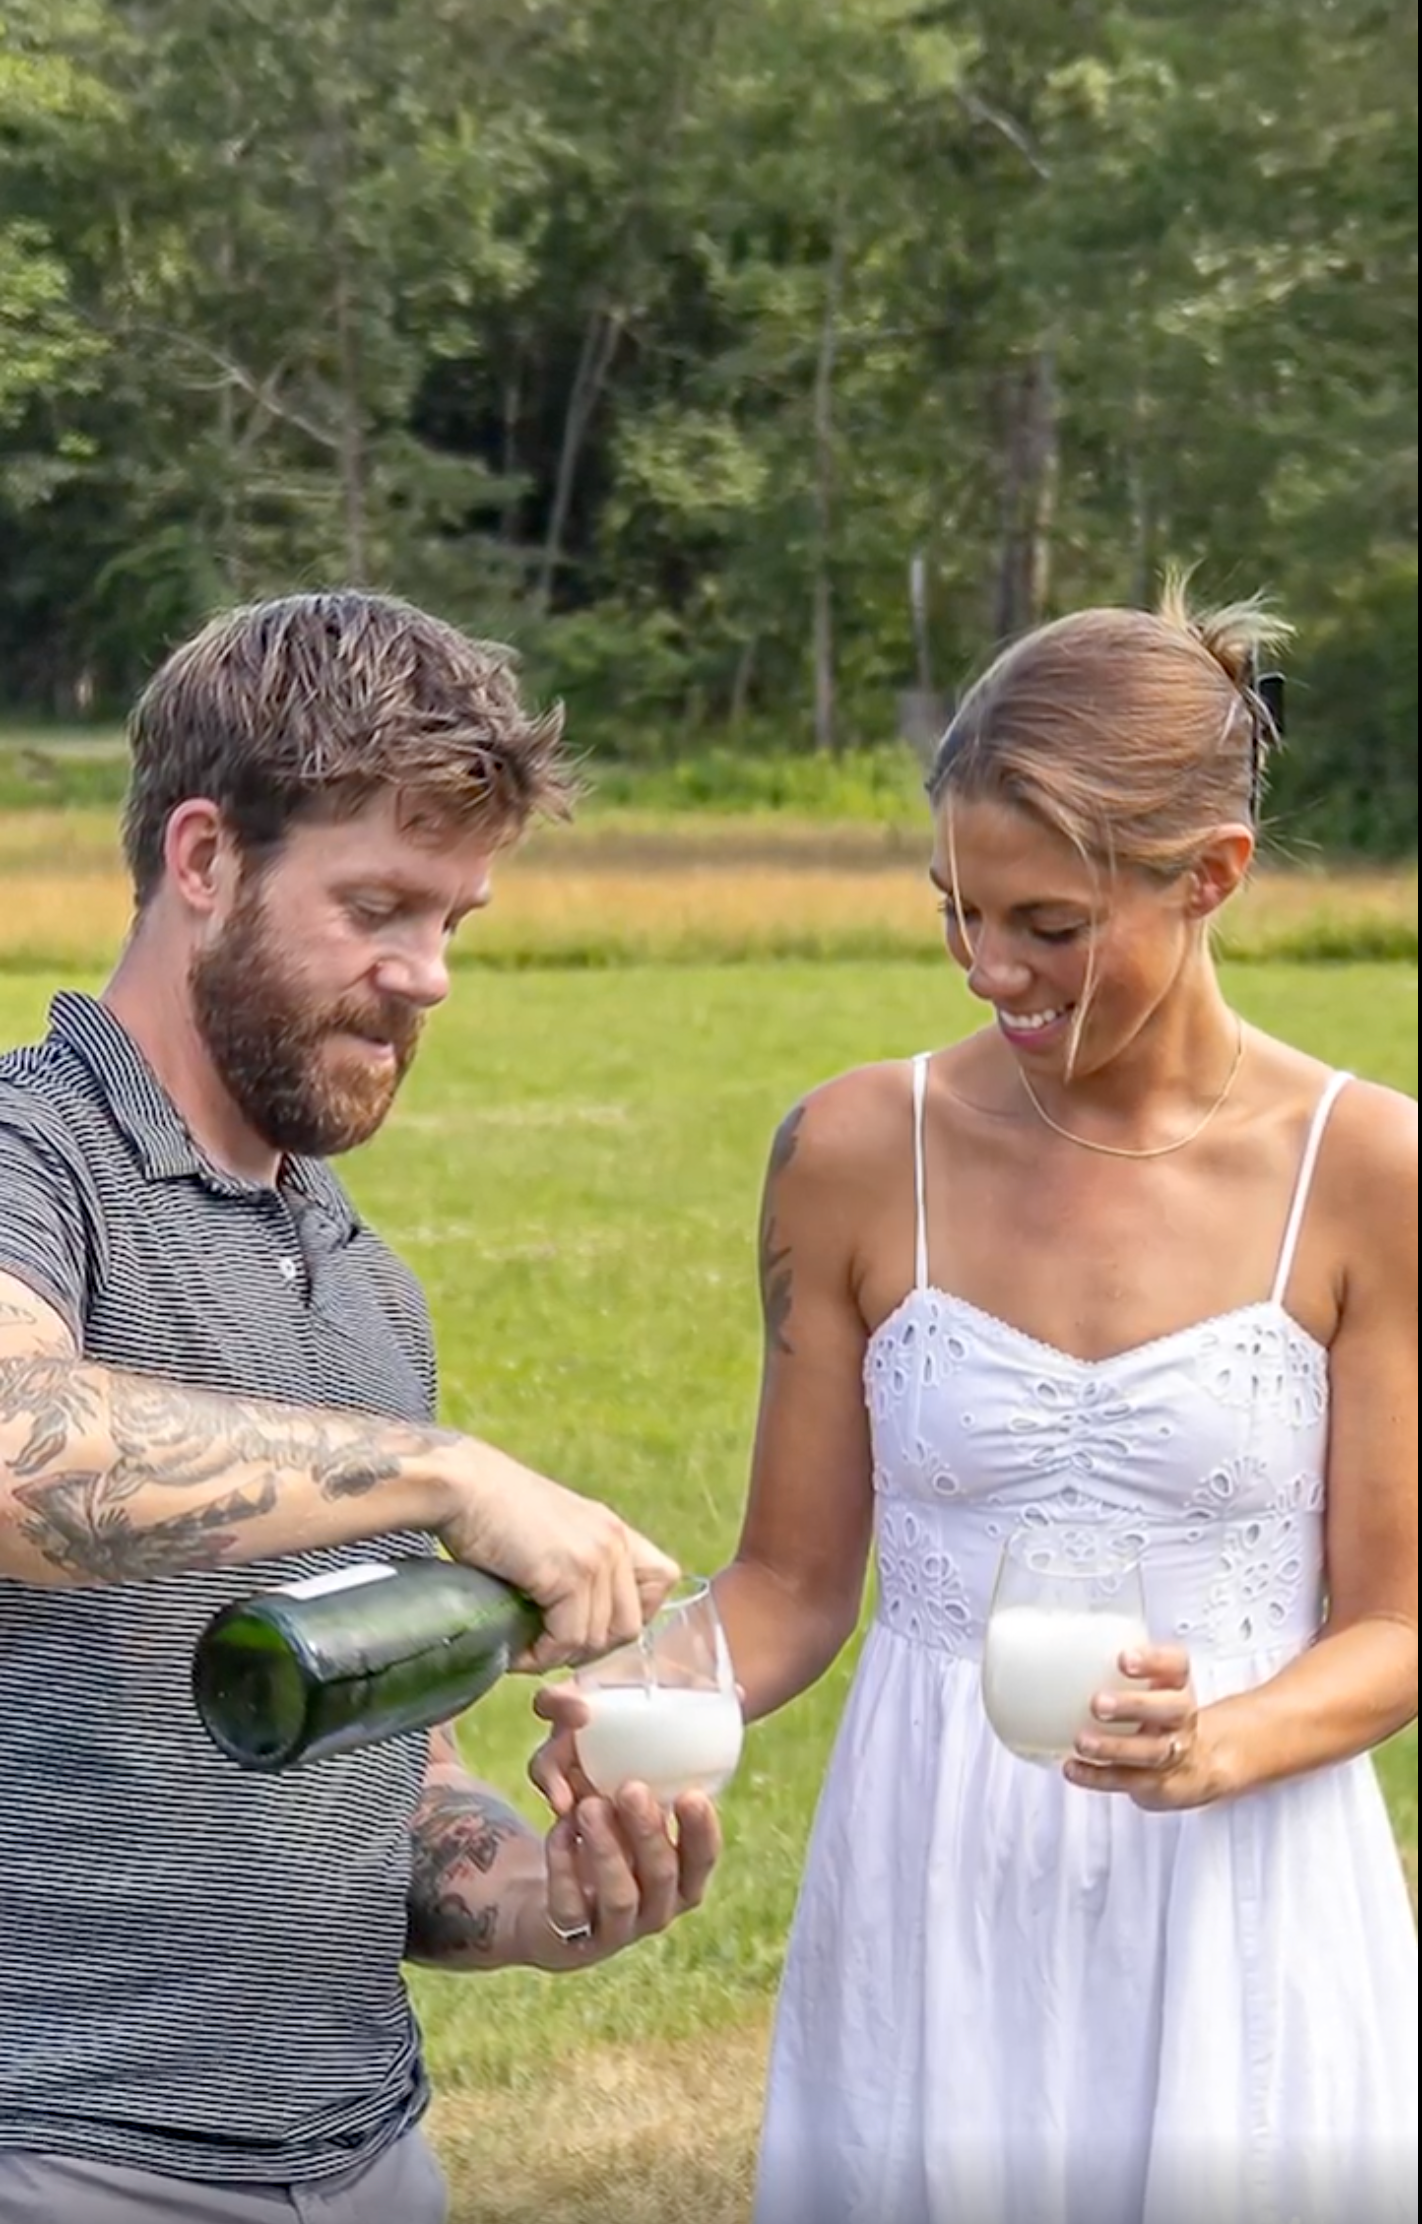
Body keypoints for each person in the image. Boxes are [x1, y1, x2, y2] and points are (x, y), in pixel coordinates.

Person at [536, 584, 1418, 2224]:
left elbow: (1395, 1624)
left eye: (1047, 927)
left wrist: (1213, 1748)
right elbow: (791, 1588)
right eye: (956, 911)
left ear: (1210, 874)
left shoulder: (1368, 1172)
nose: (986, 970)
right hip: (927, 1885)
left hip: (1237, 1896)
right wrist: (639, 1690)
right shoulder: (854, 1154)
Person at [0, 591, 721, 2224]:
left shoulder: (362, 1279)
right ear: (204, 862)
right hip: (62, 2157)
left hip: (369, 2154)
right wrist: (439, 1473)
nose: (430, 976)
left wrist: (541, 1893)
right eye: (380, 905)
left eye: (456, 918)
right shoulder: (35, 1162)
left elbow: (387, 1781)